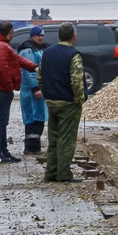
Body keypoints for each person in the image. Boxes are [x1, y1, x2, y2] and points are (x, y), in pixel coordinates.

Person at [38, 22, 86, 183]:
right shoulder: (74, 54)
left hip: (51, 101)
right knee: (66, 139)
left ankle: (50, 172)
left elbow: (40, 76)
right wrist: (80, 99)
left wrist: (46, 93)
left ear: (58, 36)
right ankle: (64, 173)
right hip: (68, 103)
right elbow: (77, 79)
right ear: (74, 36)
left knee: (53, 137)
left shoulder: (47, 53)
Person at [0, 20, 37, 165]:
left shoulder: (1, 44)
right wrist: (9, 87)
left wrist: (33, 67)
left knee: (3, 121)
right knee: (1, 122)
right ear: (11, 31)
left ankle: (4, 152)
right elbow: (3, 69)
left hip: (1, 88)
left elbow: (17, 59)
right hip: (1, 89)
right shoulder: (0, 46)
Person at [18, 25, 48, 156]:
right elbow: (27, 71)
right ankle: (31, 147)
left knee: (38, 118)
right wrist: (35, 88)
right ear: (32, 36)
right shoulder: (28, 50)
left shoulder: (38, 49)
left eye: (42, 35)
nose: (41, 37)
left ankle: (35, 147)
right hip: (31, 91)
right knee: (32, 119)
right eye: (38, 35)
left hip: (38, 89)